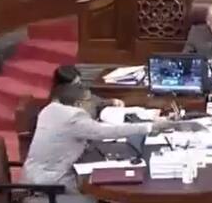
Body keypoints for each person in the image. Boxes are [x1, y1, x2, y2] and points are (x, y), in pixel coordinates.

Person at [22, 84, 175, 203]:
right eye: (89, 101)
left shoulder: (49, 109)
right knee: (101, 196)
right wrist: (150, 126)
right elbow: (104, 132)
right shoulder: (73, 116)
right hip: (52, 184)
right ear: (79, 104)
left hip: (33, 177)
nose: (93, 104)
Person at [50, 65, 124, 117]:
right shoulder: (62, 101)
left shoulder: (79, 90)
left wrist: (111, 101)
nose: (80, 84)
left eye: (79, 81)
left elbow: (93, 99)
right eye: (76, 83)